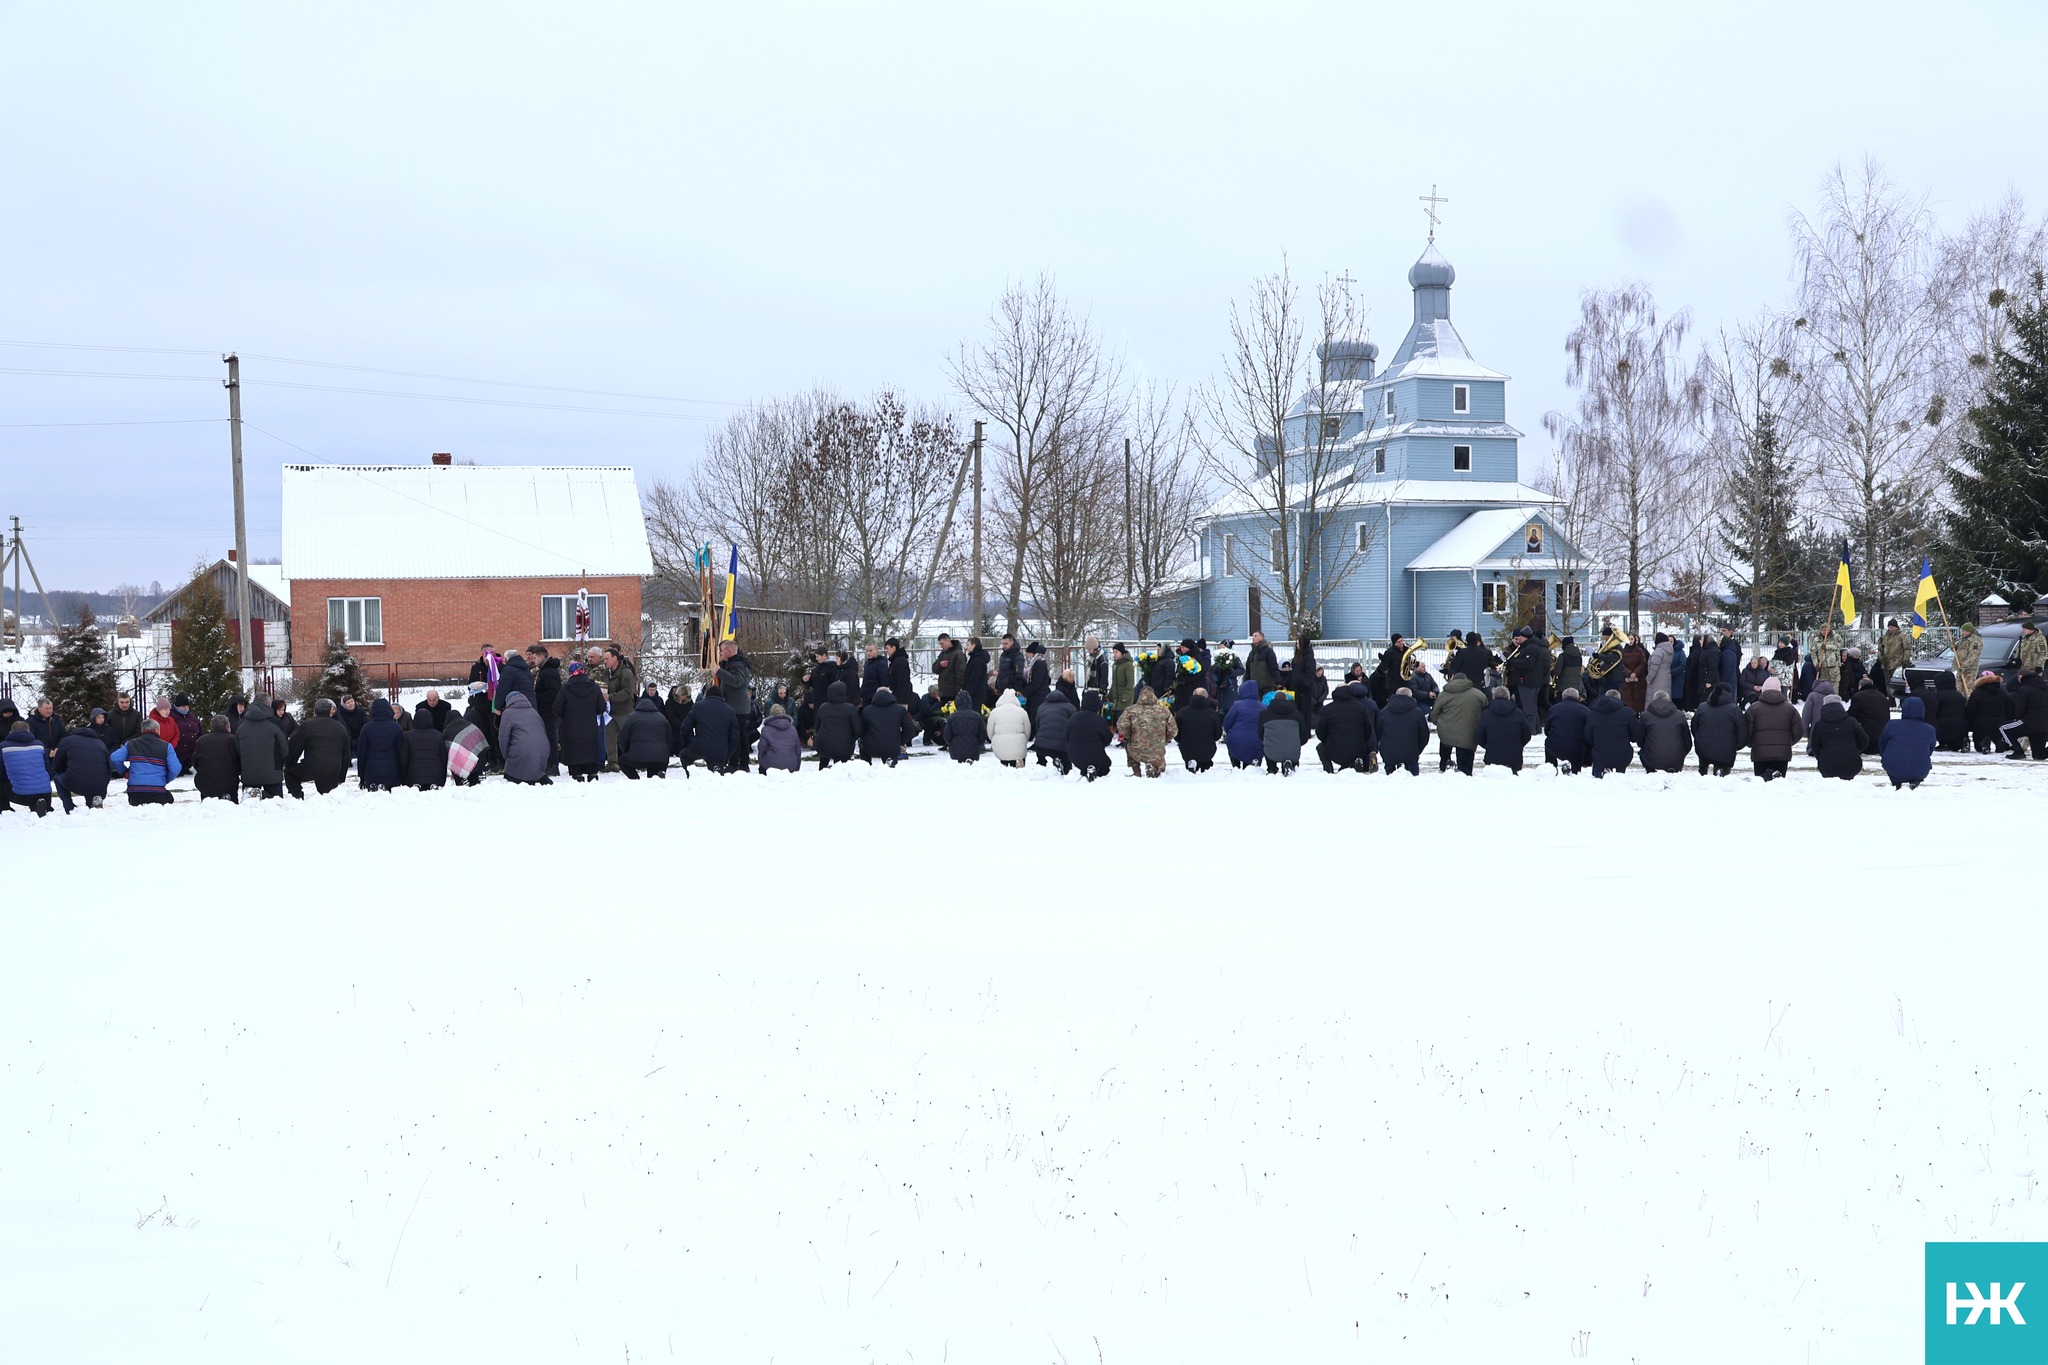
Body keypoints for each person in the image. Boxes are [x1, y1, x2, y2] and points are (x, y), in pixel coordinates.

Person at [552, 659, 608, 781]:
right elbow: (601, 707)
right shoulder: (594, 687)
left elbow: (557, 709)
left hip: (570, 728)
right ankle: (592, 774)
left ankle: (577, 776)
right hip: (590, 727)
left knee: (574, 752)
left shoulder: (566, 688)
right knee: (590, 749)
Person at [286, 699, 353, 797]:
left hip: (311, 767)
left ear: (315, 711)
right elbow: (346, 754)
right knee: (328, 795)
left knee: (289, 773)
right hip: (333, 769)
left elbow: (295, 748)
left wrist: (289, 763)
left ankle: (297, 798)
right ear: (330, 710)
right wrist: (341, 776)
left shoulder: (307, 726)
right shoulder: (340, 727)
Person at [110, 717, 181, 805]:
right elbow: (176, 768)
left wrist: (124, 772)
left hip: (135, 792)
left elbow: (114, 757)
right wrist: (165, 779)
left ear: (143, 730)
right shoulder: (166, 746)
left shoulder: (131, 744)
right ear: (157, 730)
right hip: (157, 791)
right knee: (169, 799)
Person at [1746, 677, 1804, 780]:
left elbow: (1747, 731)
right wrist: (1788, 743)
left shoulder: (1754, 709)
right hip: (1782, 754)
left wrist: (1751, 743)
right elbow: (1799, 730)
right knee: (1779, 785)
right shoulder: (1790, 709)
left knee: (1761, 784)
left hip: (1760, 754)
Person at [1316, 683, 1380, 774]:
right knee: (1361, 747)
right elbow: (1368, 731)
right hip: (1357, 749)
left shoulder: (1327, 709)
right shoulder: (1362, 709)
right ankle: (1353, 765)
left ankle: (1328, 769)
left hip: (1333, 750)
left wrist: (1327, 740)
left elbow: (1320, 732)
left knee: (1320, 748)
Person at [1116, 685, 1178, 778]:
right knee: (1158, 760)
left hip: (1136, 747)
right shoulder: (1164, 711)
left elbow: (1121, 725)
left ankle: (1136, 770)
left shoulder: (1131, 710)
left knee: (1128, 745)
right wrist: (1164, 739)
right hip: (1157, 748)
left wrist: (1129, 736)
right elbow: (1173, 730)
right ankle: (1154, 768)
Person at [51, 720, 111, 812]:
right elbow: (108, 766)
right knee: (91, 775)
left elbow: (57, 764)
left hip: (76, 781)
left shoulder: (67, 741)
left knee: (57, 778)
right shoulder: (100, 743)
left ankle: (69, 806)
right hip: (100, 784)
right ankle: (93, 803)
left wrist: (64, 769)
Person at [1878, 696, 1938, 788]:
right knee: (1919, 764)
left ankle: (1896, 781)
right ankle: (1915, 780)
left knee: (1894, 764)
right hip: (1920, 767)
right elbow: (1930, 749)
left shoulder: (1891, 725)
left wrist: (1885, 757)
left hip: (1893, 766)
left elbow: (1882, 744)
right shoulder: (1929, 729)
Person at [235, 696, 288, 799]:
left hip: (249, 774)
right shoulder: (275, 723)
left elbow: (238, 750)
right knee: (275, 804)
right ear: (268, 705)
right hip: (273, 774)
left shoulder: (241, 724)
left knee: (250, 806)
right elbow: (284, 750)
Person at [677, 686, 739, 773]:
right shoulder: (730, 710)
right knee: (716, 774)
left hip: (699, 748)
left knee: (684, 755)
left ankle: (692, 773)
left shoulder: (698, 706)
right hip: (720, 751)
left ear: (706, 695)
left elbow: (685, 728)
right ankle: (716, 770)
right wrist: (727, 754)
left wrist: (687, 743)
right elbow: (735, 737)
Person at [1432, 672, 1485, 775]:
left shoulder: (1443, 694)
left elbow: (1435, 714)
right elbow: (1485, 706)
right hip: (1468, 733)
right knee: (1465, 764)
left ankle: (1444, 766)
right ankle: (1466, 772)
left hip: (1446, 732)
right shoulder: (1477, 694)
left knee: (1445, 745)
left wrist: (1438, 723)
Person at [1689, 685, 1747, 776]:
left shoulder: (1702, 707)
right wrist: (1736, 746)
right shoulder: (1734, 709)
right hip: (1726, 751)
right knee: (1722, 780)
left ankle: (1702, 773)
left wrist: (1699, 739)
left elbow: (1694, 727)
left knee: (1702, 775)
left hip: (1703, 748)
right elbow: (1742, 731)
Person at [1586, 690, 1643, 778]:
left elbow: (1588, 736)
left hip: (1599, 755)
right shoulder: (1627, 712)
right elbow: (1636, 735)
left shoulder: (1593, 713)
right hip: (1622, 755)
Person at [1808, 696, 1867, 780]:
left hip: (1827, 765)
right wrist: (1855, 752)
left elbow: (1815, 747)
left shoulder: (1819, 725)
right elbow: (1864, 741)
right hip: (1852, 765)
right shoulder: (1852, 722)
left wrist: (1821, 758)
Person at [716, 640, 756, 768]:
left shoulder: (737, 664)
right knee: (741, 735)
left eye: (722, 651)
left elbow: (737, 681)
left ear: (728, 651)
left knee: (736, 736)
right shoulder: (734, 663)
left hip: (736, 706)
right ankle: (742, 763)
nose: (720, 653)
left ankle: (736, 763)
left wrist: (719, 672)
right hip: (737, 705)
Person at [497, 690, 550, 783]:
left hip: (521, 753)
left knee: (511, 777)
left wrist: (507, 757)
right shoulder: (534, 712)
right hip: (543, 753)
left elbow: (503, 739)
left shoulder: (508, 713)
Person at [1, 721, 54, 815]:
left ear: (10, 732)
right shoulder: (39, 745)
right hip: (45, 792)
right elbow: (48, 769)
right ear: (29, 731)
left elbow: (2, 772)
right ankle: (41, 806)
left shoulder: (3, 747)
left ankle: (4, 808)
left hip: (19, 794)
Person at [354, 698, 406, 792]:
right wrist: (402, 774)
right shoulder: (396, 728)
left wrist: (362, 775)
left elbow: (362, 753)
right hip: (392, 772)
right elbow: (402, 753)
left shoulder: (366, 728)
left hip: (372, 772)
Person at [1376, 687, 1430, 775]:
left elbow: (1378, 732)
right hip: (1411, 752)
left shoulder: (1384, 712)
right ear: (1411, 696)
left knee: (1389, 778)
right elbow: (1424, 735)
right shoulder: (1418, 713)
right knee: (1413, 777)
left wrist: (1382, 748)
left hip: (1389, 753)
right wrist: (1417, 750)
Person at [1479, 685, 1533, 774]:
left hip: (1492, 757)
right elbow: (1526, 734)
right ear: (1508, 697)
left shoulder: (1486, 714)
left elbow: (1479, 735)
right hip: (1514, 758)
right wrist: (1518, 745)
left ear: (1493, 697)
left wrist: (1489, 746)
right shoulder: (1518, 713)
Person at [527, 646, 563, 776]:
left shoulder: (548, 672)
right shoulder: (545, 670)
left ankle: (553, 764)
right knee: (548, 737)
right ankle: (550, 762)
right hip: (546, 710)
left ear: (542, 657)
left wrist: (536, 697)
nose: (534, 660)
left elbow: (553, 692)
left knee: (551, 737)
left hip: (549, 710)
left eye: (536, 658)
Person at [858, 687, 916, 766]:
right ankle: (891, 763)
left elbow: (861, 730)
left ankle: (867, 765)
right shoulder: (900, 709)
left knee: (863, 748)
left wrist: (865, 740)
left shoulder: (867, 710)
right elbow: (910, 729)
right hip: (893, 747)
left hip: (871, 747)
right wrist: (900, 741)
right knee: (891, 754)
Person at [1064, 691, 1115, 781]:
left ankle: (1086, 771)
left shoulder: (1073, 718)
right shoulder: (1099, 720)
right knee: (1106, 765)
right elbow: (1107, 739)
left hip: (1074, 756)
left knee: (1084, 760)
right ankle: (1094, 772)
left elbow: (1065, 736)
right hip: (1095, 755)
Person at [1638, 691, 1691, 773]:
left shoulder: (1645, 716)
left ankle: (1650, 770)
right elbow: (1687, 741)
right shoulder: (1679, 715)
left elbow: (1640, 739)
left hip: (1652, 759)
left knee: (1642, 751)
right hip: (1676, 760)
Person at [811, 681, 862, 768]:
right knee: (841, 768)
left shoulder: (823, 707)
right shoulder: (850, 708)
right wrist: (850, 739)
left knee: (823, 763)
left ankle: (821, 772)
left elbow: (817, 727)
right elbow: (857, 730)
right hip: (844, 747)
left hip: (824, 745)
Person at [190, 715, 241, 801]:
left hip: (206, 784)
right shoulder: (233, 740)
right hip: (229, 784)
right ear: (227, 726)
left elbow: (195, 762)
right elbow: (239, 762)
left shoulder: (201, 741)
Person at [2000, 670, 2048, 760]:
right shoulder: (2044, 689)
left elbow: (2020, 708)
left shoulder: (2024, 689)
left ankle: (2018, 752)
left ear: (2022, 677)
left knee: (2003, 728)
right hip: (2043, 726)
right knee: (2039, 755)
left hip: (2029, 722)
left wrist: (2017, 718)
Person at [1543, 687, 1592, 774]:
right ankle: (1576, 770)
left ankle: (1551, 767)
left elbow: (1547, 730)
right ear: (1577, 698)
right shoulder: (1585, 711)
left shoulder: (1553, 709)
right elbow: (1589, 732)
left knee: (1548, 742)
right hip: (1577, 747)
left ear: (1563, 697)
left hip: (1555, 746)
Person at [1168, 686, 1217, 772]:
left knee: (1190, 752)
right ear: (1206, 697)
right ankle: (1205, 765)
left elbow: (1175, 732)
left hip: (1187, 749)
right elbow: (1218, 734)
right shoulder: (1212, 714)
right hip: (1207, 749)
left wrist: (1181, 741)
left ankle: (1191, 764)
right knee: (1205, 756)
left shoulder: (1182, 712)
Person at [405, 701, 450, 790]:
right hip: (435, 776)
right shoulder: (438, 735)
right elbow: (443, 757)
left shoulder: (408, 736)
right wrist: (442, 777)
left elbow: (405, 757)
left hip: (414, 776)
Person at [1221, 680, 1265, 769]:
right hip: (1257, 743)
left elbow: (1227, 723)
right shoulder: (1263, 707)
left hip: (1236, 741)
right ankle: (1252, 765)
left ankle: (1236, 765)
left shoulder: (1237, 705)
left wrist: (1229, 732)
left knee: (1233, 746)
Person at [1033, 686, 1076, 773]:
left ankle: (1041, 764)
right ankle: (1065, 767)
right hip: (1062, 746)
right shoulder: (1070, 707)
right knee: (1066, 761)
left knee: (1041, 750)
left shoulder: (1041, 707)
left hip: (1042, 745)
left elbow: (1037, 725)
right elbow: (1074, 726)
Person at [1966, 671, 2011, 752]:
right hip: (1999, 722)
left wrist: (1970, 723)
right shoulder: (2003, 693)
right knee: (1998, 737)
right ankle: (1999, 743)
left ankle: (1984, 743)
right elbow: (2009, 709)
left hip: (1980, 723)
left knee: (1978, 748)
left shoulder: (1977, 693)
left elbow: (1970, 709)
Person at [1260, 691, 1302, 775]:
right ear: (1287, 700)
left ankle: (1272, 768)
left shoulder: (1264, 714)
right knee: (1292, 747)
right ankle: (1290, 764)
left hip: (1271, 751)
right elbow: (1304, 734)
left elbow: (1260, 734)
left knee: (1267, 745)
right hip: (1292, 751)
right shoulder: (1297, 714)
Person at [1846, 676, 1892, 754]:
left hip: (1868, 739)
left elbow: (1851, 716)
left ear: (1860, 686)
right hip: (1883, 737)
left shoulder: (1858, 697)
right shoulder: (1882, 696)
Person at [1924, 673, 1969, 752]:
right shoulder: (1959, 696)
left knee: (1939, 723)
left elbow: (1934, 711)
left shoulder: (1938, 696)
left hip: (1944, 727)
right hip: (1961, 726)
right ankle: (1961, 742)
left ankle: (1944, 744)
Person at [989, 691, 1032, 767]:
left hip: (1000, 748)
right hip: (1019, 749)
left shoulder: (994, 712)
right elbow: (1028, 732)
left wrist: (995, 740)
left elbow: (990, 732)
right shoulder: (1022, 712)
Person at [756, 704, 801, 774]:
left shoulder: (766, 729)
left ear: (771, 715)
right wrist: (796, 767)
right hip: (790, 766)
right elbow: (798, 750)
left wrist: (761, 761)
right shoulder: (793, 729)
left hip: (771, 766)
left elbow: (761, 748)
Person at [943, 693, 987, 763]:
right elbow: (982, 735)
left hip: (955, 751)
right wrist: (979, 743)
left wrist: (951, 744)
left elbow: (947, 736)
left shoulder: (952, 717)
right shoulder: (977, 717)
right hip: (974, 750)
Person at [1876, 620, 1911, 692]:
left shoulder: (1902, 636)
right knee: (1888, 684)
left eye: (1892, 627)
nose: (1891, 629)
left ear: (1896, 627)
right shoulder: (1885, 637)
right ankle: (1891, 701)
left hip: (1898, 663)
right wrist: (1880, 657)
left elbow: (1907, 649)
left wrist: (1905, 660)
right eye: (1889, 627)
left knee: (1898, 682)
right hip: (1886, 664)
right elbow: (1880, 649)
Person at [1619, 635, 1650, 712]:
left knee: (1638, 699)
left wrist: (1635, 673)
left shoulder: (1639, 651)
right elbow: (1621, 664)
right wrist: (1629, 673)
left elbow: (1643, 663)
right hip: (1626, 679)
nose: (1630, 641)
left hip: (1638, 679)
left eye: (1632, 639)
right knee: (1627, 699)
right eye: (1629, 639)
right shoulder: (1623, 651)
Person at [1954, 622, 1984, 695]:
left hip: (1969, 669)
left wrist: (1964, 666)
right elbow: (1959, 650)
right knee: (1959, 688)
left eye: (1964, 631)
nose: (1962, 632)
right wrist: (1953, 647)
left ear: (1969, 631)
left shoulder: (1975, 640)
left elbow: (1974, 655)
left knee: (1968, 688)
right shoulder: (1963, 639)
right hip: (1960, 667)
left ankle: (1968, 702)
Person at [1646, 634, 1675, 708]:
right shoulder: (1669, 650)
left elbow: (1654, 666)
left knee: (1655, 700)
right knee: (1665, 699)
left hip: (1657, 679)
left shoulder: (1659, 651)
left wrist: (1649, 678)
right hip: (1666, 678)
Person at [962, 636, 990, 711]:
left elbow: (974, 679)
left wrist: (967, 694)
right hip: (976, 695)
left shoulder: (978, 660)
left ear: (973, 645)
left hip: (975, 696)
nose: (966, 648)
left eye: (968, 645)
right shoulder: (974, 658)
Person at [1813, 624, 1843, 689]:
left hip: (1834, 665)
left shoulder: (1836, 637)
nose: (1824, 632)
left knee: (1834, 685)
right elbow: (1813, 652)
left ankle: (1834, 698)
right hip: (1823, 666)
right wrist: (1816, 663)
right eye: (1823, 630)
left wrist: (1827, 647)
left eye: (1826, 630)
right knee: (1824, 685)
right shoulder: (1817, 639)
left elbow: (1840, 645)